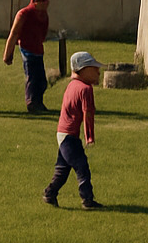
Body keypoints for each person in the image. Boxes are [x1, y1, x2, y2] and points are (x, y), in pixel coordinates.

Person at [43, 51, 105, 209]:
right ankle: (87, 200)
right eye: (94, 68)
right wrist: (89, 136)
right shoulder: (85, 89)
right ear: (82, 70)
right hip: (70, 136)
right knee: (82, 166)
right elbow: (88, 114)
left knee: (62, 169)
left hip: (62, 133)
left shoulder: (72, 85)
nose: (98, 71)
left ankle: (49, 194)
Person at [3, 0, 51, 113]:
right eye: (43, 1)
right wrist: (8, 54)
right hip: (27, 49)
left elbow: (43, 34)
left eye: (47, 1)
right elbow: (14, 34)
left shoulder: (44, 15)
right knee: (32, 77)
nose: (46, 3)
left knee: (41, 81)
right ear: (35, 1)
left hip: (38, 50)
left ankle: (38, 103)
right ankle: (32, 104)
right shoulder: (23, 14)